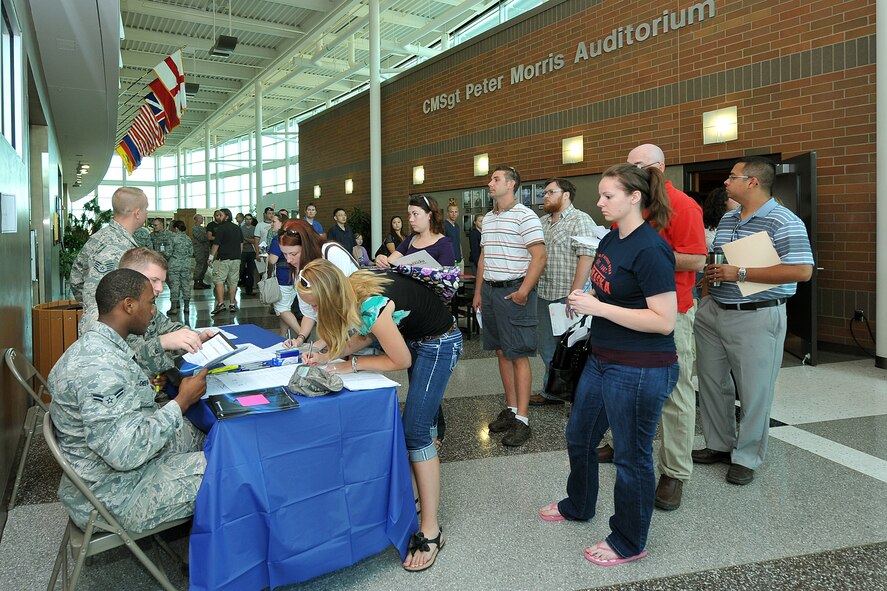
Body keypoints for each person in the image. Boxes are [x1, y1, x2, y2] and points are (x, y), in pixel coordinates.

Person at [539, 163, 678, 567]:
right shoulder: (613, 239)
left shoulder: (650, 249)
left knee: (631, 457)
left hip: (640, 368)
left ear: (635, 198)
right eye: (600, 195)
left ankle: (629, 540)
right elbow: (603, 283)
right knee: (579, 436)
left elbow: (663, 320)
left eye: (608, 196)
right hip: (604, 359)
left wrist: (599, 306)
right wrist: (584, 294)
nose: (599, 202)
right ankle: (579, 504)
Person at [298, 259, 462, 572]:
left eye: (316, 306)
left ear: (331, 297)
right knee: (418, 426)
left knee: (414, 432)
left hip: (439, 344)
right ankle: (415, 497)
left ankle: (431, 530)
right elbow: (367, 332)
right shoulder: (353, 285)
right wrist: (326, 355)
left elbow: (400, 358)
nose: (316, 314)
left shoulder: (369, 301)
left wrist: (352, 365)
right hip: (420, 338)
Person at [49, 268, 208, 533]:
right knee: (231, 470)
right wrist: (181, 401)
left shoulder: (100, 344)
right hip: (116, 495)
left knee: (208, 436)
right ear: (129, 305)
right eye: (150, 303)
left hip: (108, 472)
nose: (154, 310)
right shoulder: (100, 368)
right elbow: (126, 454)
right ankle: (214, 560)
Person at [596, 144, 708, 512]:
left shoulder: (683, 206)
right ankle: (620, 441)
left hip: (669, 309)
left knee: (674, 392)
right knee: (621, 380)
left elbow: (697, 258)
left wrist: (646, 254)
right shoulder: (628, 204)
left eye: (638, 165)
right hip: (626, 308)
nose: (633, 171)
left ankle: (675, 469)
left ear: (659, 167)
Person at [693, 157, 814, 485]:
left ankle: (746, 456)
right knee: (713, 383)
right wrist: (706, 296)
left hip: (756, 315)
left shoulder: (783, 220)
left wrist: (741, 272)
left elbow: (802, 270)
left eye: (732, 177)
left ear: (753, 182)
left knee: (754, 390)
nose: (725, 183)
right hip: (715, 310)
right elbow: (717, 262)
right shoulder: (730, 218)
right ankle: (719, 444)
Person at [472, 165, 546, 447]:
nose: (490, 183)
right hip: (491, 292)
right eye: (491, 179)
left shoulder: (525, 216)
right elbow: (483, 258)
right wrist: (479, 292)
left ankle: (523, 420)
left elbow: (539, 257)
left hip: (514, 291)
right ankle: (512, 408)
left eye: (496, 179)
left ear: (512, 184)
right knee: (502, 351)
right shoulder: (489, 218)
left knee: (518, 354)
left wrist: (524, 292)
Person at [79, 248, 210, 380]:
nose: (160, 288)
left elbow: (169, 329)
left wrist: (196, 338)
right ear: (131, 276)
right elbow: (121, 365)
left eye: (162, 282)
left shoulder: (145, 306)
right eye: (154, 280)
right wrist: (162, 343)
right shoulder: (103, 315)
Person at [531, 178, 597, 407]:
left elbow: (586, 257)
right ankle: (553, 391)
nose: (545, 196)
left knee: (572, 349)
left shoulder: (580, 220)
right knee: (546, 347)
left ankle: (575, 397)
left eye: (550, 192)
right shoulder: (542, 222)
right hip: (544, 294)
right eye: (545, 192)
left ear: (566, 194)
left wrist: (575, 293)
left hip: (567, 295)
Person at [277, 219, 359, 349]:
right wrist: (300, 339)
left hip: (356, 329)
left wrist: (319, 344)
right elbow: (309, 312)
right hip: (331, 332)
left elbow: (345, 302)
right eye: (284, 254)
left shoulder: (331, 253)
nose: (288, 259)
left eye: (293, 254)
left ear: (307, 246)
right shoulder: (299, 270)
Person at [70, 187, 144, 311]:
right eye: (145, 208)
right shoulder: (116, 245)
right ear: (137, 213)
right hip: (111, 328)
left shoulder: (103, 236)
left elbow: (76, 280)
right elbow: (97, 295)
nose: (147, 213)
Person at [375, 195, 455, 268]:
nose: (411, 219)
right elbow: (389, 262)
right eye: (409, 215)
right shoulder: (411, 239)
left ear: (429, 215)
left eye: (415, 214)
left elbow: (446, 278)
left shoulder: (445, 244)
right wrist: (381, 260)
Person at [265, 215, 302, 337]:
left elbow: (272, 260)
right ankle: (283, 335)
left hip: (283, 278)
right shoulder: (295, 238)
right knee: (286, 308)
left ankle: (302, 334)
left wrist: (267, 254)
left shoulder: (278, 240)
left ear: (282, 223)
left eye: (274, 221)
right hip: (295, 277)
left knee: (282, 309)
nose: (272, 224)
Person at [208, 208, 243, 315]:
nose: (218, 217)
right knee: (233, 282)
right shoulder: (237, 228)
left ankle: (221, 304)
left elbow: (216, 244)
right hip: (236, 259)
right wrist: (238, 255)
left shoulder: (221, 228)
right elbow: (241, 243)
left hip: (224, 260)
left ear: (227, 217)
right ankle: (232, 304)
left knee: (219, 280)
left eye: (220, 215)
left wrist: (210, 257)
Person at [166, 220, 193, 315]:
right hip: (186, 264)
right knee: (186, 285)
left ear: (176, 228)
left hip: (174, 265)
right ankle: (187, 307)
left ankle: (174, 308)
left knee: (174, 285)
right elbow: (191, 253)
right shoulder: (188, 239)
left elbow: (168, 253)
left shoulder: (172, 238)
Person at [702, 186, 739, 251]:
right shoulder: (708, 231)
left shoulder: (736, 220)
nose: (738, 201)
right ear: (724, 200)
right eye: (733, 198)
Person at [239, 213, 259, 295]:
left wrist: (246, 239)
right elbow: (240, 241)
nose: (248, 220)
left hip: (252, 252)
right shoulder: (241, 229)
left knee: (251, 271)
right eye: (247, 219)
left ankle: (249, 289)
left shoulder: (255, 228)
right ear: (244, 220)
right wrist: (250, 240)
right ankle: (238, 284)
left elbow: (255, 241)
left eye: (250, 219)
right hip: (243, 252)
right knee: (241, 269)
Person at [191, 214, 211, 289]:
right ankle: (196, 282)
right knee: (199, 265)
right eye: (200, 218)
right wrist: (208, 236)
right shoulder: (195, 228)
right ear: (196, 220)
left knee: (205, 266)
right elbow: (201, 238)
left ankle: (201, 281)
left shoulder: (202, 228)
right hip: (199, 250)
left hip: (205, 249)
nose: (202, 220)